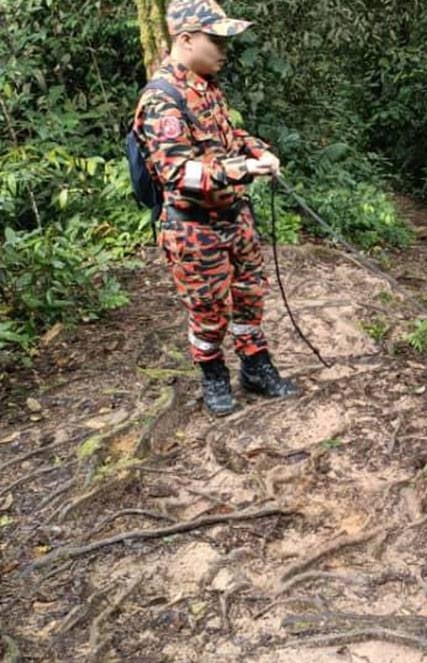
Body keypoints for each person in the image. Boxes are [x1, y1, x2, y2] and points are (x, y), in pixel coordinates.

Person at [132, 0, 297, 417]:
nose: (225, 49)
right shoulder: (161, 98)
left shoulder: (206, 85)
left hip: (234, 217)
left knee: (249, 296)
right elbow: (176, 172)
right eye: (217, 40)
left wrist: (258, 150)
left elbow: (230, 133)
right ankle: (212, 374)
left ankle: (256, 367)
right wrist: (244, 169)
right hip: (193, 228)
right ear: (186, 40)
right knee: (208, 310)